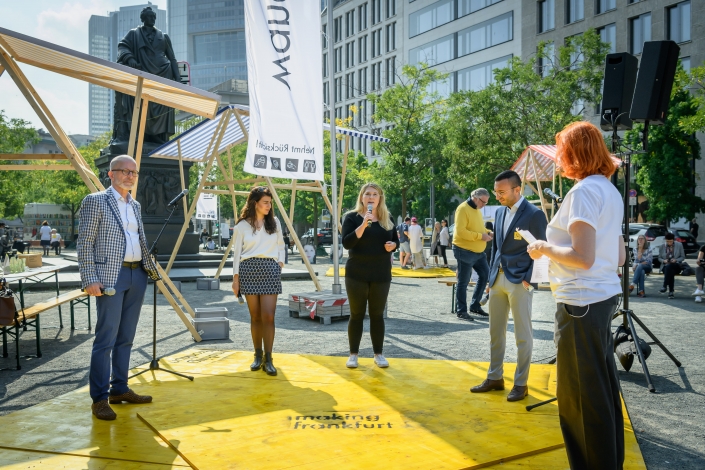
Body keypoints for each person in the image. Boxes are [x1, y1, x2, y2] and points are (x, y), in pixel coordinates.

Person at [526, 121, 625, 470]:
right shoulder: (610, 191)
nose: (559, 159)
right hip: (600, 297)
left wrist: (543, 247)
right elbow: (620, 256)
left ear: (573, 153)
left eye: (562, 151)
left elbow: (583, 257)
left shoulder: (584, 192)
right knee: (600, 389)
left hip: (581, 302)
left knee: (579, 397)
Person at [77, 155, 160, 421]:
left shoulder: (135, 205)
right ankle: (99, 399)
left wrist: (149, 268)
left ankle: (120, 389)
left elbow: (138, 239)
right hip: (110, 277)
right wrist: (89, 278)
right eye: (124, 171)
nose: (129, 176)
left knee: (126, 337)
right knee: (106, 339)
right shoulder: (95, 201)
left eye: (133, 172)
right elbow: (85, 242)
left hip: (137, 275)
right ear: (110, 174)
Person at [472, 170, 547, 402]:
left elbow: (543, 250)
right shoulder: (500, 212)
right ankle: (495, 377)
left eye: (501, 192)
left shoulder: (535, 214)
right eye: (496, 192)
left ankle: (521, 384)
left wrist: (530, 280)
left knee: (523, 336)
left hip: (520, 281)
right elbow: (496, 249)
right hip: (497, 280)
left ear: (517, 189)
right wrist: (490, 278)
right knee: (495, 333)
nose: (497, 196)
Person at [342, 183, 399, 369]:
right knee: (356, 314)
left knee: (377, 315)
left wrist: (394, 246)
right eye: (367, 194)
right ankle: (353, 354)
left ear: (380, 198)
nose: (371, 197)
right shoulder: (351, 217)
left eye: (375, 194)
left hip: (380, 274)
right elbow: (347, 243)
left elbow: (395, 240)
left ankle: (378, 354)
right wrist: (363, 224)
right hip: (356, 274)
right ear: (362, 197)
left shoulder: (387, 217)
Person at [231, 186, 286, 376]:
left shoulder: (275, 222)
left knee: (268, 316)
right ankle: (257, 355)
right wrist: (236, 279)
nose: (269, 206)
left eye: (270, 203)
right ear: (255, 203)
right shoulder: (241, 226)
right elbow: (237, 254)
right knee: (255, 317)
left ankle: (269, 359)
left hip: (270, 270)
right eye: (265, 202)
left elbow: (281, 245)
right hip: (248, 270)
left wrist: (279, 264)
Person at [453, 189, 494, 320]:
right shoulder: (462, 209)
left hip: (478, 252)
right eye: (483, 202)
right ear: (475, 198)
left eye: (486, 202)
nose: (484, 205)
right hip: (464, 250)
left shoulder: (476, 209)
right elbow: (461, 232)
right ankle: (461, 311)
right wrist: (481, 236)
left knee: (485, 275)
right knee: (463, 281)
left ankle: (475, 306)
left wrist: (488, 232)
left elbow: (478, 228)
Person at [658, 233, 685, 299]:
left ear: (673, 240)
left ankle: (664, 286)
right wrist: (663, 261)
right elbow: (659, 258)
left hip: (676, 266)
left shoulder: (679, 245)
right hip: (665, 266)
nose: (669, 243)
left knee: (670, 267)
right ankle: (671, 292)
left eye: (670, 241)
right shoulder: (662, 246)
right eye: (667, 241)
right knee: (670, 270)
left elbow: (683, 257)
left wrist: (676, 260)